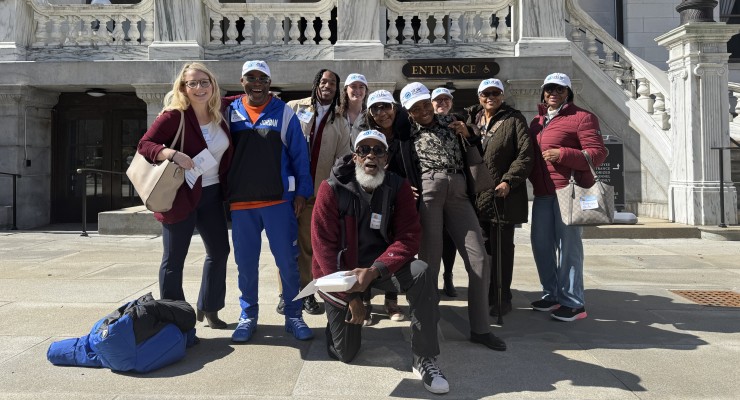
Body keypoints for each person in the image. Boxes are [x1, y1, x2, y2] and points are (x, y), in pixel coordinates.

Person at [311, 130, 449, 395]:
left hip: (381, 269)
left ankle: (425, 357)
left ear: (386, 158)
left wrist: (376, 270)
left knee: (422, 272)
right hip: (343, 276)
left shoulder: (398, 187)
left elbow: (409, 237)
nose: (371, 155)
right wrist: (350, 296)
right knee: (346, 353)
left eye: (378, 151)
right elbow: (322, 248)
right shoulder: (331, 189)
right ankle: (337, 320)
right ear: (354, 157)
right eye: (364, 150)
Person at [401, 82, 506, 351]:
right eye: (415, 108)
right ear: (408, 112)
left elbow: (476, 146)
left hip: (459, 190)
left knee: (479, 258)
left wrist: (467, 134)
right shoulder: (406, 130)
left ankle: (481, 328)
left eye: (426, 103)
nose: (423, 110)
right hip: (428, 192)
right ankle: (427, 323)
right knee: (430, 263)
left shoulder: (452, 120)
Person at [136, 62, 232, 330]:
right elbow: (145, 145)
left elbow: (246, 97)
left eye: (205, 82)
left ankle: (209, 307)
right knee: (174, 260)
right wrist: (171, 153)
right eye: (193, 83)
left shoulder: (220, 113)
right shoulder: (174, 116)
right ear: (183, 87)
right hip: (180, 195)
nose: (199, 88)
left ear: (213, 85)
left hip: (212, 194)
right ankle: (174, 317)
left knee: (220, 251)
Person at [225, 60, 314, 342]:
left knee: (288, 263)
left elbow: (300, 155)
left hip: (277, 202)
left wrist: (302, 193)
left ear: (269, 83)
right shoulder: (229, 112)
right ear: (242, 82)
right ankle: (248, 315)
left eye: (262, 78)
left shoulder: (283, 112)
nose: (257, 83)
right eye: (251, 78)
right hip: (242, 203)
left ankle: (294, 314)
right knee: (246, 265)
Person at [528, 72, 607, 322]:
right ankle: (551, 294)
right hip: (542, 193)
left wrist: (562, 154)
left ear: (568, 93)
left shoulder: (582, 117)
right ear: (543, 92)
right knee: (541, 246)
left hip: (568, 192)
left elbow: (598, 153)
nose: (553, 93)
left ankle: (573, 302)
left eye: (559, 89)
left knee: (569, 249)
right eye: (549, 88)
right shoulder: (537, 122)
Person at [279, 69, 351, 316]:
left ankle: (307, 294)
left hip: (316, 193)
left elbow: (342, 160)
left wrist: (330, 194)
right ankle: (285, 295)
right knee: (285, 245)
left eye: (332, 83)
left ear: (338, 89)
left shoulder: (340, 121)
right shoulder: (293, 107)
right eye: (323, 81)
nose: (327, 85)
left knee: (309, 246)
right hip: (288, 190)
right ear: (315, 84)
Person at [463, 78, 533, 317]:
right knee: (482, 251)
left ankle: (502, 297)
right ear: (479, 96)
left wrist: (509, 181)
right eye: (485, 93)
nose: (490, 97)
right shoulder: (471, 119)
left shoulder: (514, 120)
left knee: (503, 250)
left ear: (502, 95)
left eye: (495, 93)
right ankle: (485, 294)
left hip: (503, 197)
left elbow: (525, 155)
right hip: (476, 197)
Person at [350, 89, 419, 324]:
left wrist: (406, 188)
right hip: (372, 195)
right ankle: (365, 299)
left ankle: (392, 301)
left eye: (386, 107)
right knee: (367, 242)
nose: (382, 113)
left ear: (395, 108)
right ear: (369, 112)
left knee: (395, 244)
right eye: (376, 108)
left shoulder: (406, 131)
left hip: (400, 197)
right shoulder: (364, 133)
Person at [431, 87, 459, 298]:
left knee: (449, 237)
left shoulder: (459, 124)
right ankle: (428, 280)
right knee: (431, 237)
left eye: (446, 99)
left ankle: (447, 275)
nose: (442, 103)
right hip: (431, 187)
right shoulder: (422, 124)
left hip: (456, 187)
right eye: (437, 100)